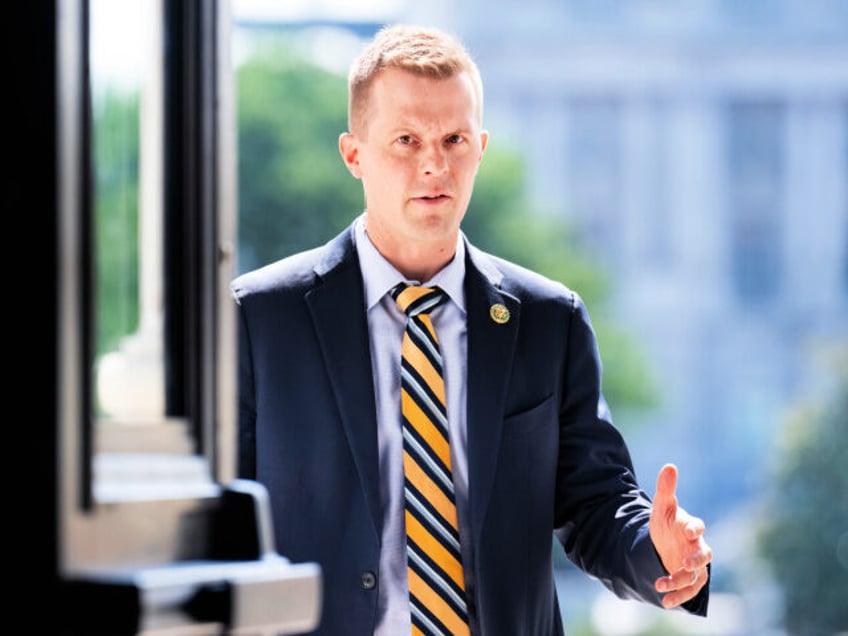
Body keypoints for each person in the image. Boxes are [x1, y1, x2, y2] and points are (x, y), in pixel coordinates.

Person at [231, 23, 712, 636]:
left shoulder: (547, 319)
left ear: (480, 147)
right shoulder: (261, 319)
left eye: (454, 139)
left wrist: (659, 553)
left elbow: (595, 503)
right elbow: (220, 523)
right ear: (354, 154)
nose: (435, 164)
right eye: (406, 140)